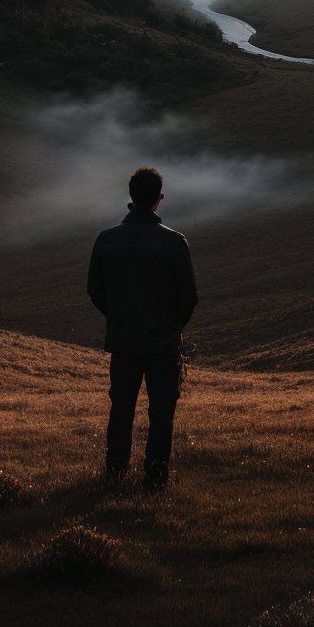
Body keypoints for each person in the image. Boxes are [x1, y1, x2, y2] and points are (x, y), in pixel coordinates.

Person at [87, 165, 198, 491]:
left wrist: (118, 316)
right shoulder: (175, 242)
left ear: (131, 197)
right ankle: (155, 478)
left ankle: (115, 473)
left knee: (121, 410)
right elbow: (189, 296)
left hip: (123, 342)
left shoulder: (107, 240)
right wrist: (172, 324)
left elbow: (95, 289)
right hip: (163, 344)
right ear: (158, 199)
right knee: (161, 413)